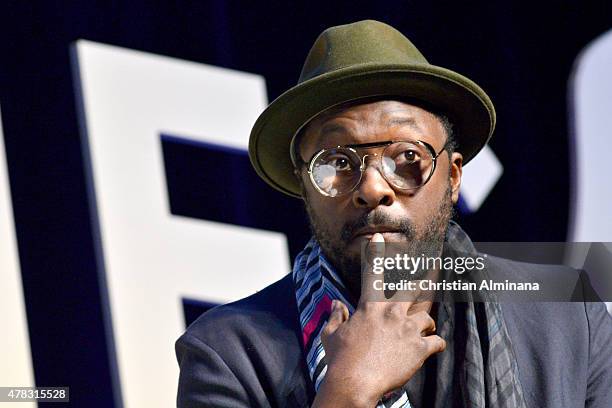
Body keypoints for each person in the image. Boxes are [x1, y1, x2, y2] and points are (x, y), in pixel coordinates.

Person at [175, 20, 612, 407]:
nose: (372, 188)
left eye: (406, 158)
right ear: (306, 188)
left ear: (454, 176)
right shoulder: (227, 353)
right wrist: (347, 390)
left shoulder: (569, 314)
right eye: (337, 163)